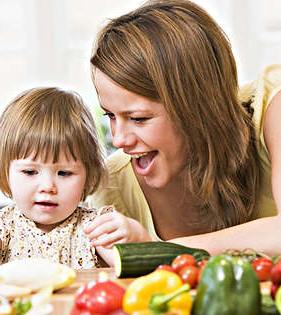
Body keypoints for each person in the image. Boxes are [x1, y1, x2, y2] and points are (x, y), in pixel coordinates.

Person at [86, 0, 281, 256]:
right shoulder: (114, 187)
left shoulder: (271, 107)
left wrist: (158, 252)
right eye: (110, 115)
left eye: (138, 118)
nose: (119, 140)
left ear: (198, 107)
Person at [0, 87, 150, 269]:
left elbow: (131, 264)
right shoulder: (2, 226)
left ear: (87, 176)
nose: (48, 187)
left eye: (64, 173)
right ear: (5, 171)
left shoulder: (92, 228)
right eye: (30, 172)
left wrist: (137, 236)